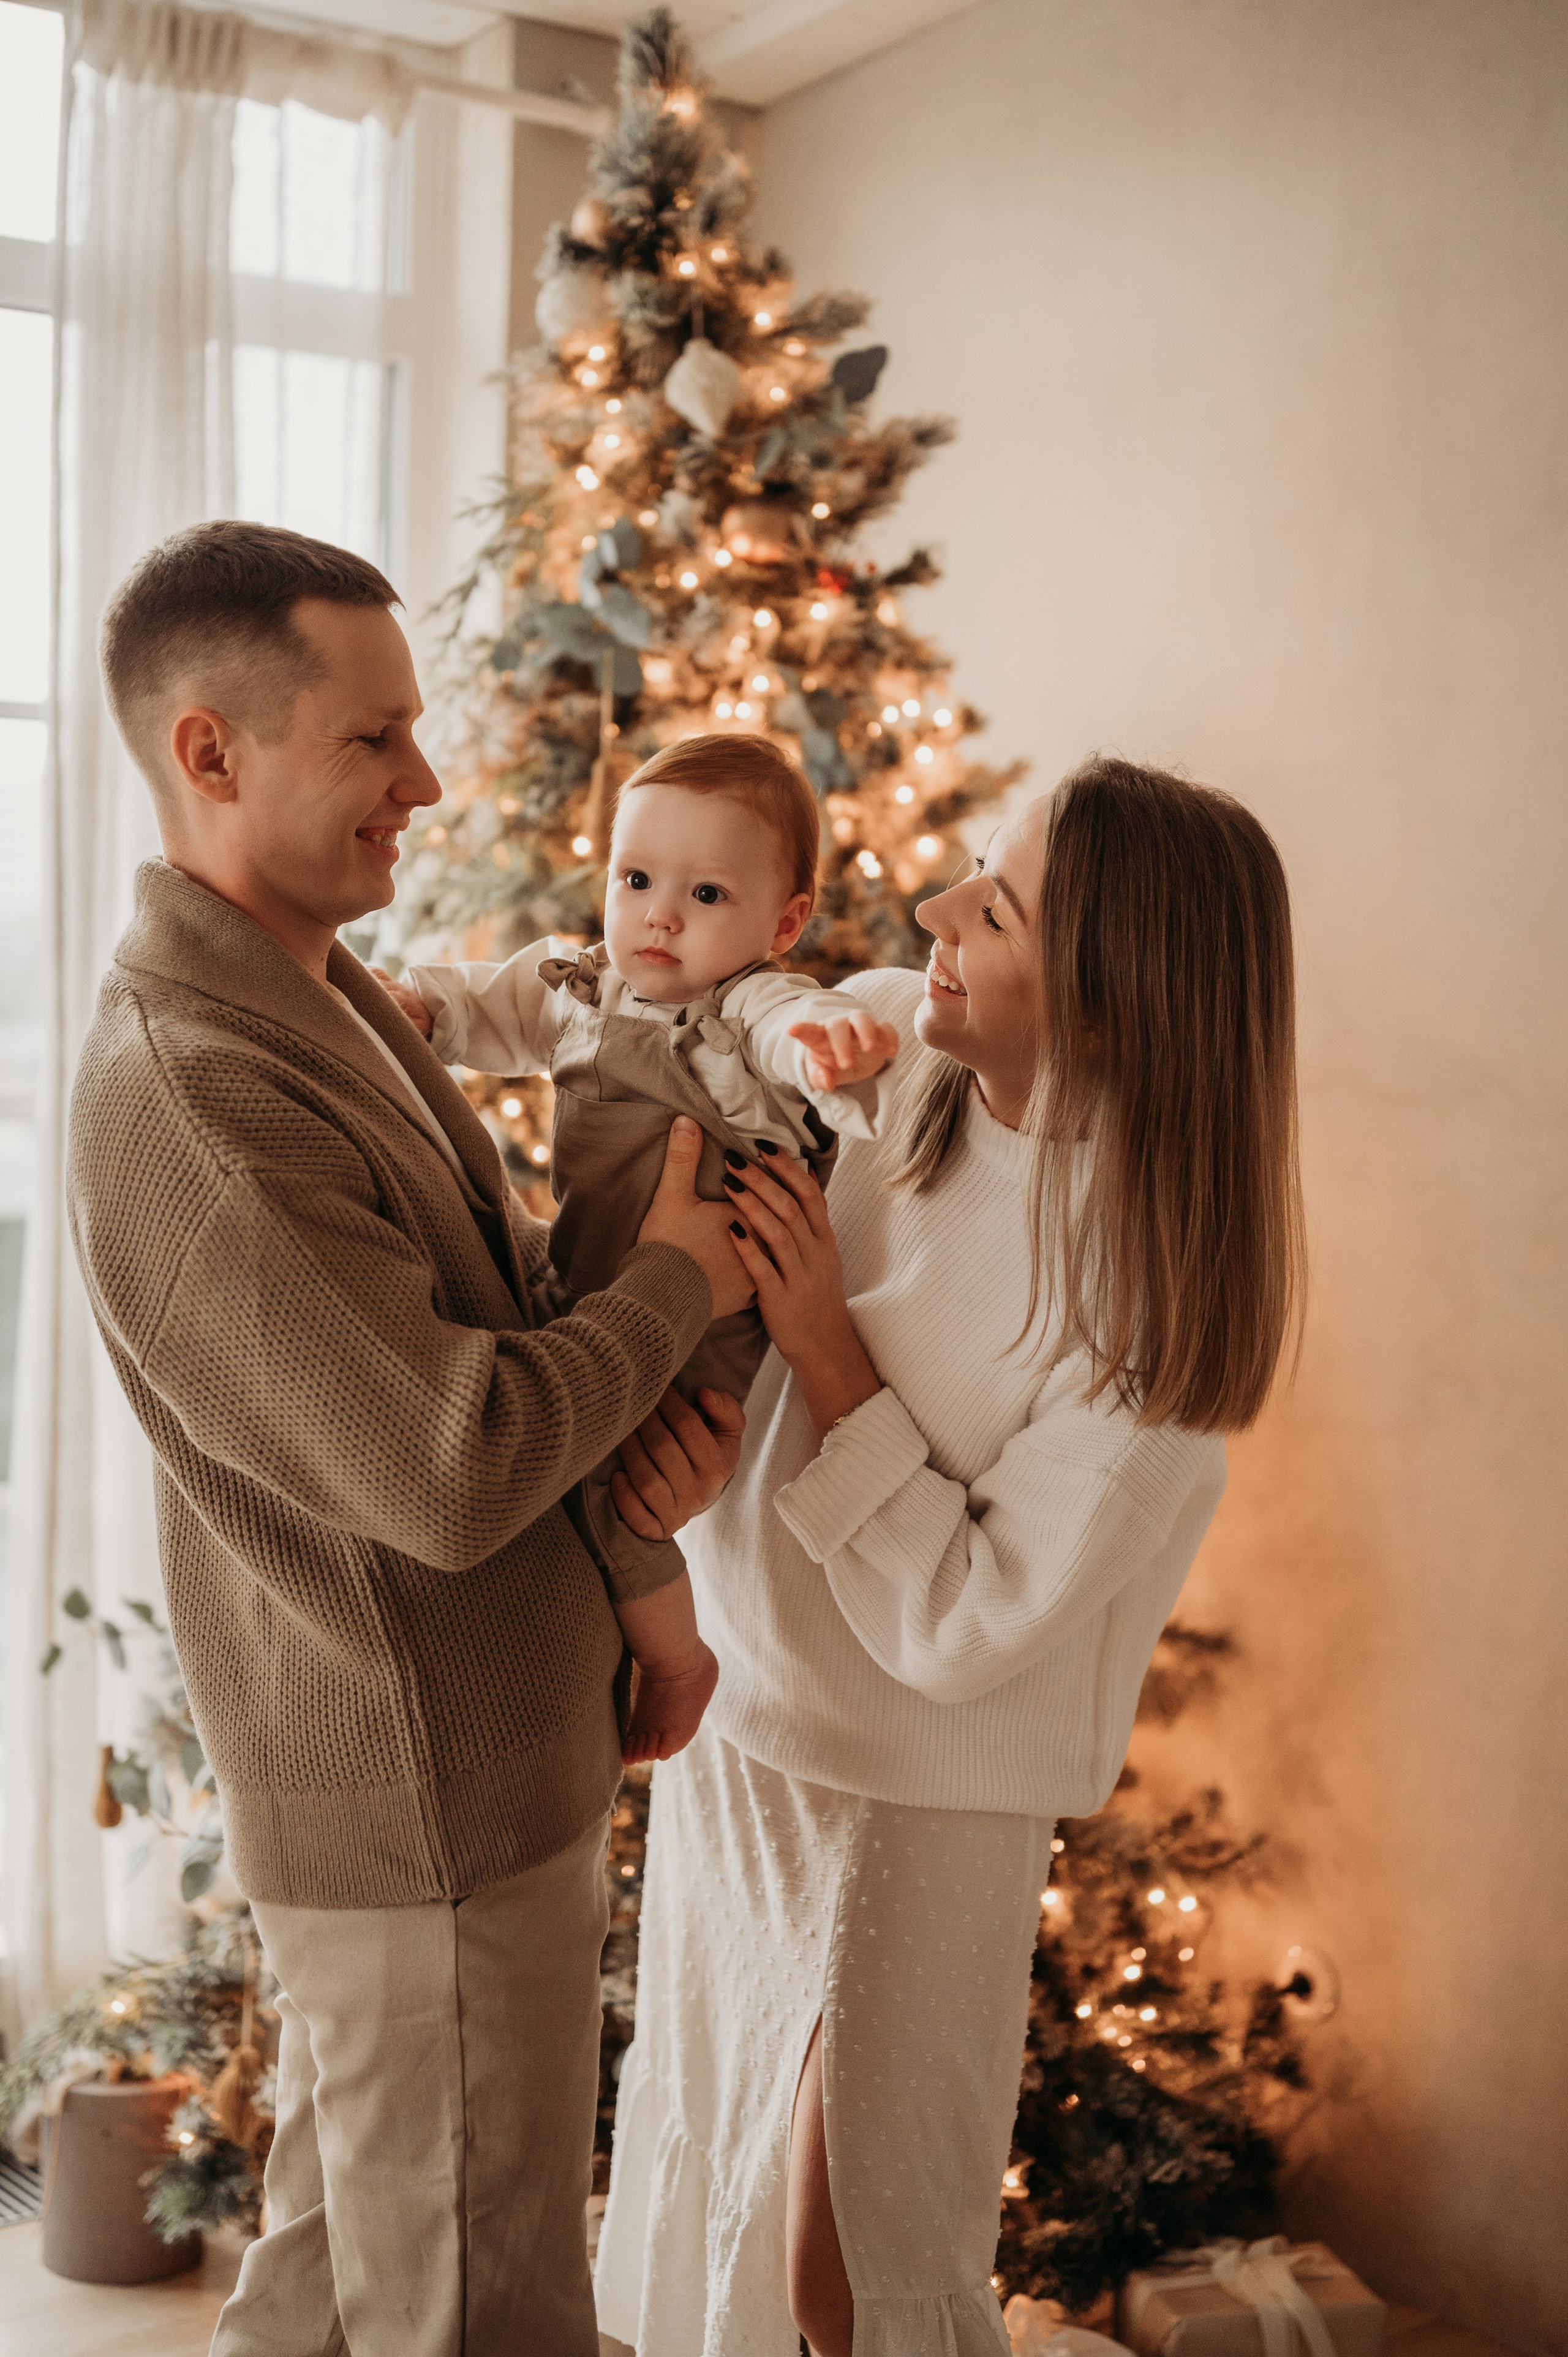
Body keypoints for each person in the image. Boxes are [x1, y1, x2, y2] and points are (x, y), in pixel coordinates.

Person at [67, 519, 751, 2357]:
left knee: (329, 2279)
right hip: (422, 1811)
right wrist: (677, 1285)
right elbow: (448, 1462)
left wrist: (622, 1356)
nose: (427, 781)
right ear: (211, 753)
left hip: (459, 1781)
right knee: (475, 2306)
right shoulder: (203, 1092)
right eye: (373, 739)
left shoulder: (312, 992)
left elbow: (470, 1307)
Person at [594, 757, 1306, 2357]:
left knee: (852, 2260)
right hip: (748, 1738)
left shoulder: (1141, 1301)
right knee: (705, 2167)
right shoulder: (901, 1066)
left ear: (1113, 1006)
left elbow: (974, 1627)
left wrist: (828, 1356)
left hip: (916, 1806)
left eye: (993, 905)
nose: (932, 910)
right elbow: (753, 1011)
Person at [378, 731, 900, 1763]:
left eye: (708, 895)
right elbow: (489, 1002)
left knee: (618, 1492)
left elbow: (797, 1023)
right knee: (532, 1430)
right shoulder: (581, 991)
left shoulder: (744, 1010)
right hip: (595, 1288)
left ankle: (674, 1659)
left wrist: (829, 1050)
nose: (659, 914)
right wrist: (423, 1010)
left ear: (782, 923)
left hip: (708, 1320)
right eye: (637, 879)